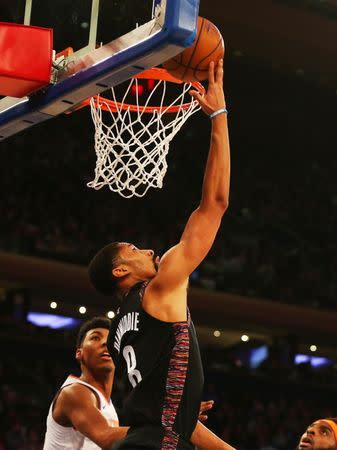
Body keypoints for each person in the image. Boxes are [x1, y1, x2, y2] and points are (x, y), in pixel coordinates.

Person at [88, 59, 234, 450]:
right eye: (133, 249)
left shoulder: (120, 332)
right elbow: (215, 204)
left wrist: (183, 406)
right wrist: (218, 115)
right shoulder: (157, 289)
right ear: (120, 270)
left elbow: (168, 419)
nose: (148, 249)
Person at [43, 317, 129, 450]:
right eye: (95, 338)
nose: (105, 343)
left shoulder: (107, 404)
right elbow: (105, 437)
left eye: (111, 339)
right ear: (79, 353)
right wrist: (157, 431)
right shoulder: (74, 392)